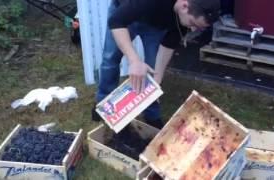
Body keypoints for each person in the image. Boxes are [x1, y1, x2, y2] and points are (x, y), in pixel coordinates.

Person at [92, 0, 220, 128]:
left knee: (152, 68)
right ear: (184, 6)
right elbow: (116, 21)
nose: (192, 29)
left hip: (155, 25)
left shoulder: (190, 10)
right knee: (110, 60)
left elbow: (170, 43)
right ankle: (102, 104)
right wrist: (134, 61)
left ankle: (152, 115)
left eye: (197, 27)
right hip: (124, 14)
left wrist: (156, 84)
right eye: (192, 23)